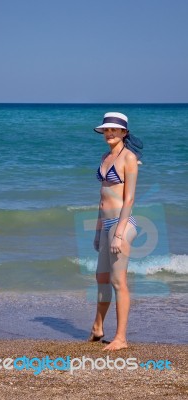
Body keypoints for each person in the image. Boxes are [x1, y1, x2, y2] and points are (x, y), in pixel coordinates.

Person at [88, 112, 143, 351]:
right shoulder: (105, 157)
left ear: (124, 133)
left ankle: (121, 338)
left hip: (122, 224)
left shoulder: (128, 158)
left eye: (114, 130)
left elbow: (129, 198)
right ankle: (98, 328)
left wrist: (119, 232)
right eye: (106, 130)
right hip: (106, 224)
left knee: (118, 281)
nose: (109, 133)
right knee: (101, 278)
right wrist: (99, 231)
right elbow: (103, 197)